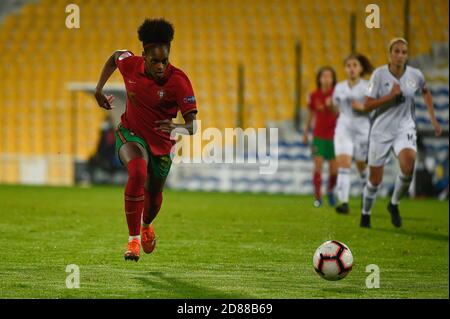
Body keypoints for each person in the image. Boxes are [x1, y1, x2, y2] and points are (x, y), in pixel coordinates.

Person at [94, 18, 198, 261]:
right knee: (138, 171)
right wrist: (98, 90)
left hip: (162, 145)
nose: (161, 66)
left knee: (152, 203)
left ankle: (146, 225)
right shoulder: (130, 64)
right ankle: (133, 242)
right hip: (130, 133)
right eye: (155, 61)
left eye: (165, 60)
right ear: (144, 56)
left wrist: (177, 126)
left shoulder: (179, 82)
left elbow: (193, 126)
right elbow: (114, 56)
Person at [353, 37, 442, 228]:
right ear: (389, 54)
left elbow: (425, 91)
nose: (401, 55)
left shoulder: (415, 75)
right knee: (375, 181)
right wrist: (389, 96)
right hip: (381, 131)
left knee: (408, 166)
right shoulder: (379, 75)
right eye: (397, 51)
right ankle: (365, 212)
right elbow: (367, 105)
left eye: (404, 52)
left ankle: (393, 204)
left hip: (405, 128)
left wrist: (433, 119)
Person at [332, 54, 374, 214]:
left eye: (354, 65)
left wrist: (364, 107)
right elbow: (335, 108)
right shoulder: (339, 87)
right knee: (343, 165)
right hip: (344, 127)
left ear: (361, 68)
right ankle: (344, 203)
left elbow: (377, 107)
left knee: (361, 165)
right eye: (348, 65)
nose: (351, 68)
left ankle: (366, 192)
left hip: (362, 128)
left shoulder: (368, 86)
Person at [304, 67, 338, 208]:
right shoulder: (313, 95)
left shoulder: (337, 94)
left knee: (334, 171)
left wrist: (331, 106)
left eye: (329, 76)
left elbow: (339, 113)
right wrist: (306, 132)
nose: (326, 79)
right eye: (323, 76)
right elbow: (310, 115)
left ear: (333, 79)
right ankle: (318, 196)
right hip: (317, 135)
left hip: (335, 136)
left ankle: (330, 191)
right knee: (317, 167)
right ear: (319, 79)